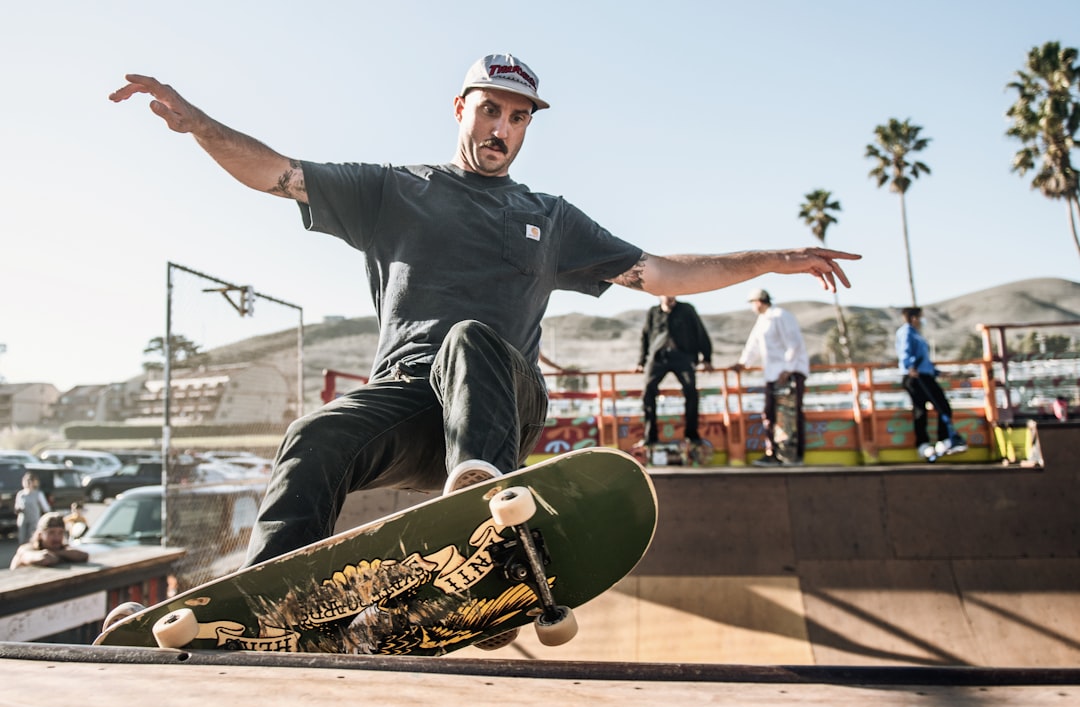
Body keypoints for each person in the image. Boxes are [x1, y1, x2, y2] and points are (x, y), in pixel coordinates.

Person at [109, 54, 859, 572]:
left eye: (519, 118)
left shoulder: (550, 217)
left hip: (504, 400)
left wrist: (766, 260)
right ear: (461, 108)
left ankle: (493, 519)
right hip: (410, 409)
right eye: (491, 110)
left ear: (529, 126)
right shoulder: (393, 191)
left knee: (470, 340)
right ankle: (268, 594)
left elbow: (660, 272)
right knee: (315, 434)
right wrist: (199, 124)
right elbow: (277, 173)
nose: (502, 127)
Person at [732, 289, 809, 466]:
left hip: (788, 374)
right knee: (771, 414)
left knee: (789, 415)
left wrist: (788, 368)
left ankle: (792, 456)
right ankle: (774, 453)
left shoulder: (781, 316)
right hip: (774, 374)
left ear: (759, 301)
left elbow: (794, 342)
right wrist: (744, 363)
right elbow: (753, 345)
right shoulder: (763, 321)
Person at [634, 296, 714, 449]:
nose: (669, 297)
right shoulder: (653, 312)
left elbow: (700, 331)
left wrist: (707, 357)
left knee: (691, 390)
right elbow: (645, 336)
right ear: (659, 296)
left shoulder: (686, 309)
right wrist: (641, 361)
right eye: (665, 294)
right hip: (658, 357)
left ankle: (692, 435)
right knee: (648, 391)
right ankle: (650, 437)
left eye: (672, 294)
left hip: (682, 356)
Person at [896, 307, 967, 459]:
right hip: (915, 377)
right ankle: (923, 445)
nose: (922, 320)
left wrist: (938, 372)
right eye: (921, 317)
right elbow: (905, 352)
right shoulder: (907, 332)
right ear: (914, 318)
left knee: (943, 406)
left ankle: (945, 440)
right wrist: (909, 367)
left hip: (925, 375)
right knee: (921, 410)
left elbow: (924, 360)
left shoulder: (917, 334)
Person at [9, 512, 90, 570]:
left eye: (60, 532)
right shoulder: (25, 549)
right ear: (40, 535)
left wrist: (58, 553)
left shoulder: (61, 549)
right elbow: (45, 559)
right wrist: (61, 555)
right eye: (51, 532)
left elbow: (83, 556)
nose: (56, 537)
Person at [14, 471, 51, 545]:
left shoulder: (38, 494)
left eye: (29, 481)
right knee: (22, 539)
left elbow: (46, 508)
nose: (27, 483)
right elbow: (17, 506)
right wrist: (18, 509)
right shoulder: (21, 494)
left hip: (34, 519)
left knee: (32, 538)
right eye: (26, 481)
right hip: (23, 519)